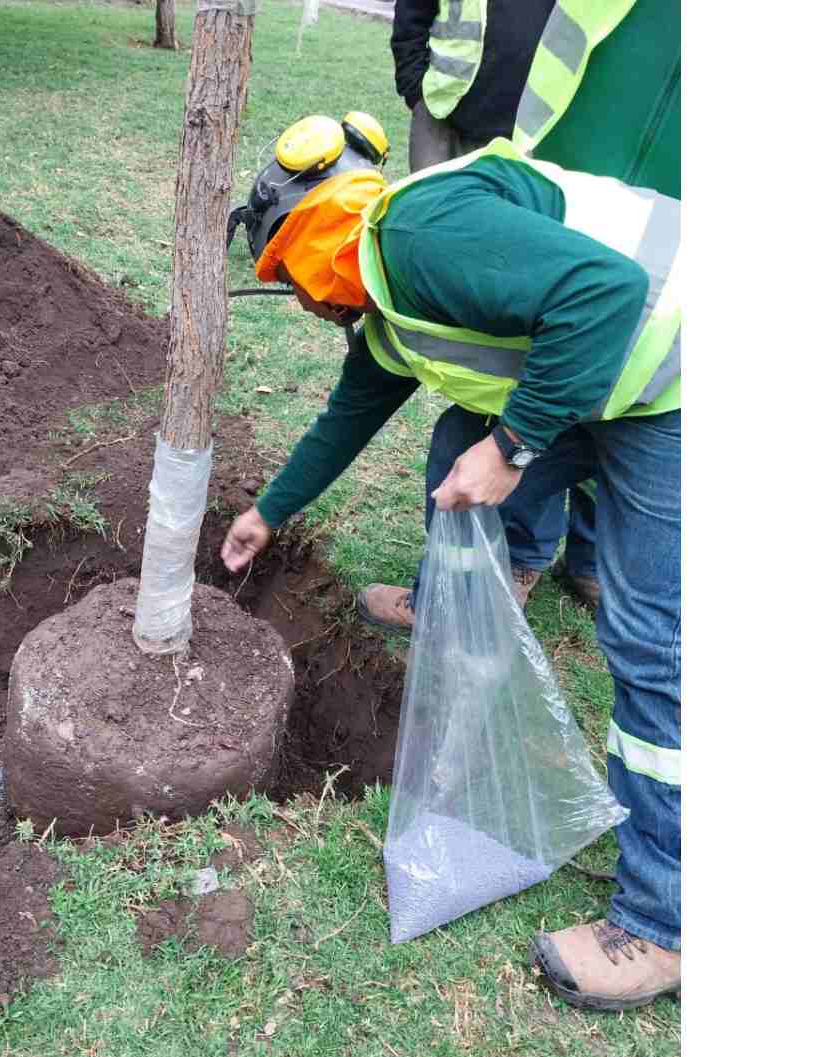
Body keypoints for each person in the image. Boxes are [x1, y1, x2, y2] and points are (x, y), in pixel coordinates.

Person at [220, 128, 681, 1011]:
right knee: (448, 444)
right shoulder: (391, 303)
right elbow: (346, 417)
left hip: (672, 372)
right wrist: (264, 516)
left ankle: (662, 926)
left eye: (289, 274)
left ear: (310, 242)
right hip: (598, 370)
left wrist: (512, 446)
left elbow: (608, 291)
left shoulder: (420, 239)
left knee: (651, 643)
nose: (305, 302)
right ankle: (460, 602)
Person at [388, 0, 600, 616]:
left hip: (557, 146)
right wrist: (416, 86)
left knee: (550, 404)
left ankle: (539, 559)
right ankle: (516, 565)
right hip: (466, 117)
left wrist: (513, 445)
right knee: (493, 409)